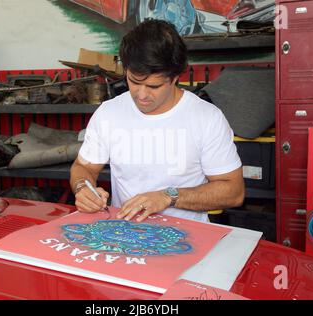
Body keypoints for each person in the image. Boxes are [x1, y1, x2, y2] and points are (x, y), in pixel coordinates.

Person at [70, 19, 244, 223]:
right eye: (134, 82)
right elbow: (83, 167)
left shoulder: (207, 118)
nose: (141, 95)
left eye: (154, 86)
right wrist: (83, 188)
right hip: (125, 235)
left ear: (175, 77)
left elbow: (233, 191)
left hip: (188, 240)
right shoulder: (109, 113)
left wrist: (168, 197)